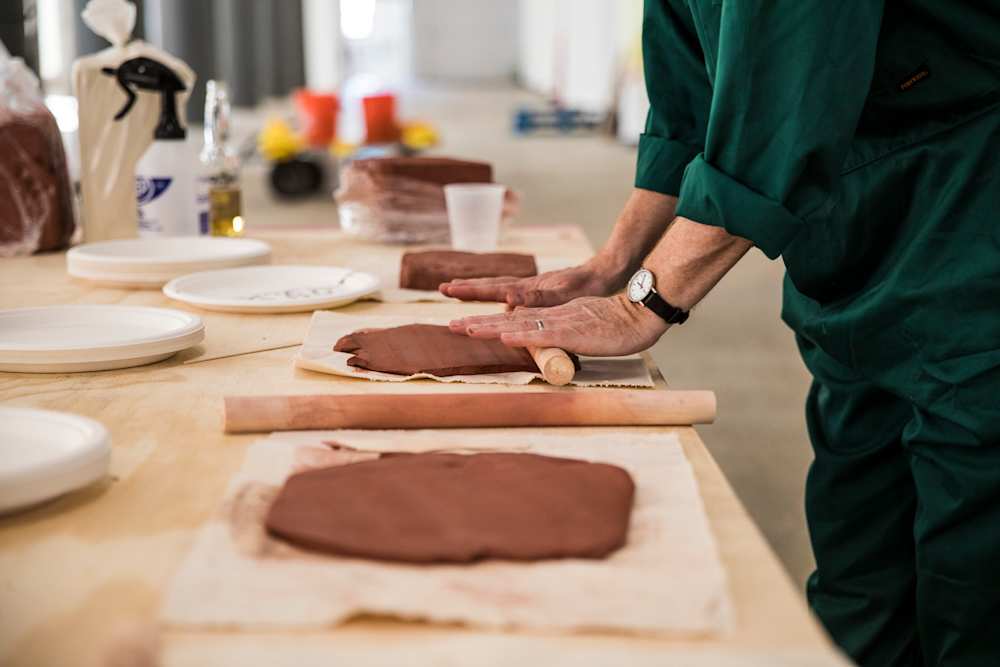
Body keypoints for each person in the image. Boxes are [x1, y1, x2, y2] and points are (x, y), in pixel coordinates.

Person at [443, 2, 1000, 665]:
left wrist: (644, 302)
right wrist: (614, 263)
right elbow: (689, 105)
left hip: (969, 213)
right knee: (859, 575)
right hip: (851, 244)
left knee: (972, 584)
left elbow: (777, 120)